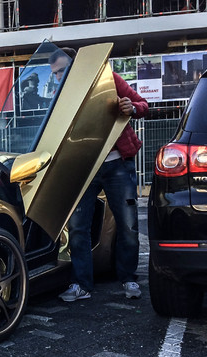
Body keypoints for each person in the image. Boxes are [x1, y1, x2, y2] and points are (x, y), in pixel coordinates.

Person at [49, 47, 149, 302]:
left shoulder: (109, 80)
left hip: (117, 164)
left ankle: (128, 279)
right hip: (83, 168)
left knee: (127, 225)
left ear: (77, 66)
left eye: (62, 71)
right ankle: (82, 283)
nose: (59, 77)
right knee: (77, 227)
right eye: (56, 73)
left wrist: (131, 107)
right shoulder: (59, 96)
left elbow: (143, 105)